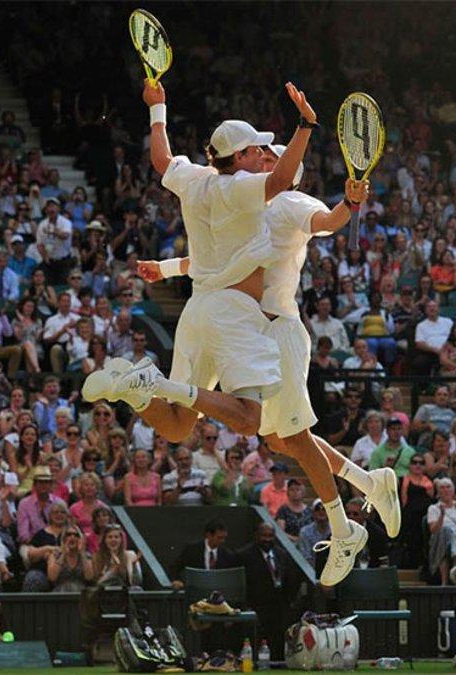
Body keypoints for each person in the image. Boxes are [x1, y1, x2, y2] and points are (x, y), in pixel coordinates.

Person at [138, 142, 398, 586]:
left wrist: (350, 202)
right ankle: (370, 481)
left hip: (279, 331)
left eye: (269, 157)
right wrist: (164, 269)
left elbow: (330, 222)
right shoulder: (243, 205)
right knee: (279, 440)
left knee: (293, 437)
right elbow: (212, 261)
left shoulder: (293, 203)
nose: (262, 159)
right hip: (247, 331)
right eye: (261, 155)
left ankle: (344, 530)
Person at [83, 77, 313, 461]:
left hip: (198, 310)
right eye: (257, 149)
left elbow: (160, 160)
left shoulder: (195, 179)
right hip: (232, 311)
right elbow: (283, 180)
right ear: (238, 158)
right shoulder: (238, 187)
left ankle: (134, 391)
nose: (263, 154)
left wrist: (158, 107)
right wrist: (306, 126)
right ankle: (156, 382)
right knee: (246, 421)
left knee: (176, 427)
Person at [239, 521, 302, 660]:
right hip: (257, 604)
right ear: (256, 535)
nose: (267, 539)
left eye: (270, 536)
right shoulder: (244, 555)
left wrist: (289, 601)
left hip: (279, 606)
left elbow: (290, 579)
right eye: (264, 535)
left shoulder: (281, 554)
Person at [169, 518, 236, 588]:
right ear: (209, 535)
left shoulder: (227, 555)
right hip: (195, 591)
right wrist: (176, 580)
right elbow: (175, 567)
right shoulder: (192, 550)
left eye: (224, 538)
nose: (222, 541)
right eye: (219, 538)